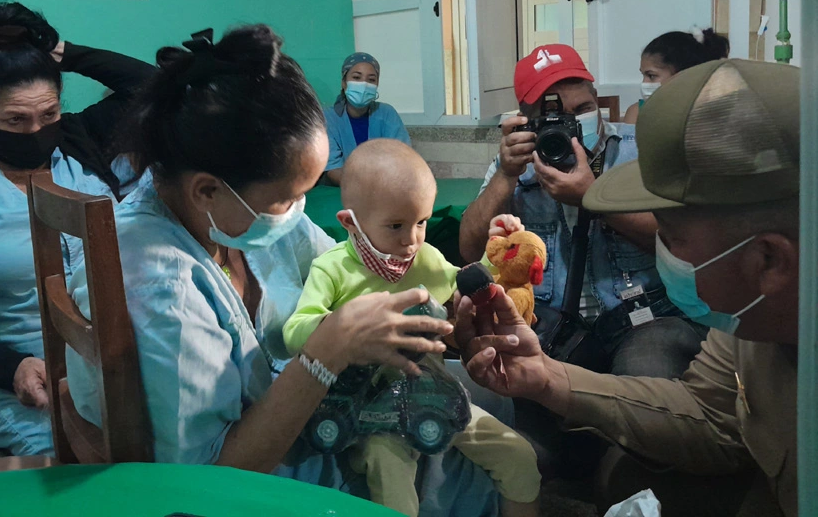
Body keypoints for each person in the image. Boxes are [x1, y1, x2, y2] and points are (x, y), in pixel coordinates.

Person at [66, 26, 504, 516]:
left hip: (295, 415)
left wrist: (445, 318)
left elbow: (348, 272)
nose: (299, 211)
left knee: (487, 408)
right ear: (207, 190)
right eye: (288, 197)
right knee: (477, 476)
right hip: (233, 484)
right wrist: (324, 353)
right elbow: (207, 486)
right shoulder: (162, 288)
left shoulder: (232, 215)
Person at [456, 58, 800, 517]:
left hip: (641, 318)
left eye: (671, 238)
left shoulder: (637, 151)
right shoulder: (743, 332)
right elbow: (708, 416)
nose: (666, 253)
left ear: (769, 261)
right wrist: (546, 378)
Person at [284, 139, 540, 517]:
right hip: (369, 412)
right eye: (395, 226)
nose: (411, 240)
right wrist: (342, 328)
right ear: (349, 222)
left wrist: (495, 251)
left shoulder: (424, 258)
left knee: (518, 456)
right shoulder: (332, 268)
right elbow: (295, 331)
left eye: (421, 222)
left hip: (432, 393)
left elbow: (463, 282)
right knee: (392, 483)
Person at [0, 1, 154, 456]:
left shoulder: (80, 138)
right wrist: (10, 366)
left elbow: (154, 88)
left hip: (122, 364)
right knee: (80, 469)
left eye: (49, 114)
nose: (36, 131)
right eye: (14, 120)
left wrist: (64, 53)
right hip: (21, 383)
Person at [460, 44, 705, 380]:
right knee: (514, 382)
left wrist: (594, 198)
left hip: (647, 316)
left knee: (647, 371)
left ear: (597, 100)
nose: (571, 122)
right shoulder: (512, 167)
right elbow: (471, 251)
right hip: (553, 325)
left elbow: (685, 244)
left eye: (582, 108)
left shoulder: (641, 151)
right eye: (554, 115)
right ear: (525, 120)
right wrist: (505, 176)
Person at [323, 52, 410, 186]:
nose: (364, 84)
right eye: (357, 77)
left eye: (371, 80)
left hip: (384, 189)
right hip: (341, 191)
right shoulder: (329, 118)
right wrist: (362, 187)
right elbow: (332, 168)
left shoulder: (387, 114)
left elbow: (402, 159)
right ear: (344, 83)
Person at [623, 28, 729, 124]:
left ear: (682, 76)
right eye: (643, 75)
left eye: (651, 76)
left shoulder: (712, 114)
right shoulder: (637, 113)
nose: (644, 83)